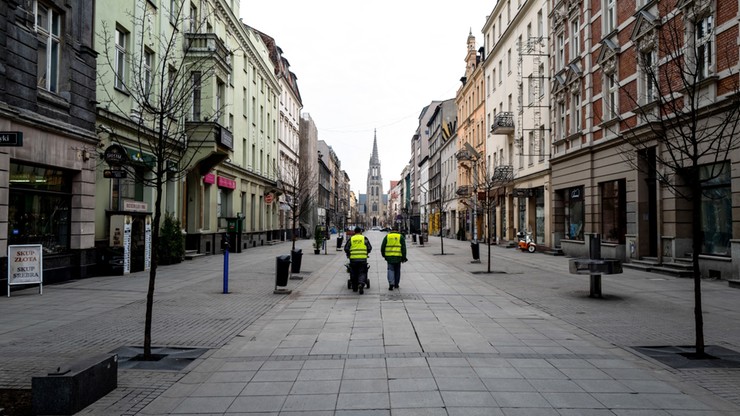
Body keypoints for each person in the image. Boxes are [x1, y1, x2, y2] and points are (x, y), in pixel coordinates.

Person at [344, 226, 372, 294]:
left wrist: (349, 254)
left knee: (353, 272)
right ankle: (361, 283)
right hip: (362, 259)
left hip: (353, 259)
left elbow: (346, 248)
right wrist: (366, 252)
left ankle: (354, 286)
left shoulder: (351, 239)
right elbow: (369, 247)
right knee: (362, 272)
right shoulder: (364, 238)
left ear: (354, 232)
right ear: (360, 232)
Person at [381, 225, 407, 290]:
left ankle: (391, 283)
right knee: (397, 271)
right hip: (398, 257)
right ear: (397, 230)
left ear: (391, 230)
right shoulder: (401, 237)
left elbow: (382, 247)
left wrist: (384, 255)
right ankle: (396, 284)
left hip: (389, 258)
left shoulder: (387, 237)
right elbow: (403, 248)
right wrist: (404, 257)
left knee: (390, 270)